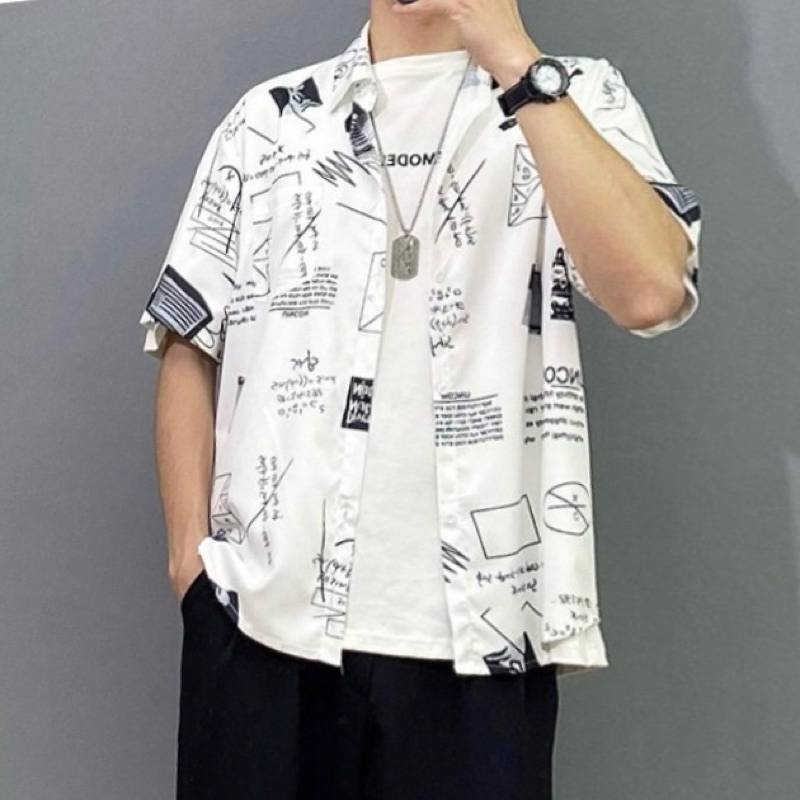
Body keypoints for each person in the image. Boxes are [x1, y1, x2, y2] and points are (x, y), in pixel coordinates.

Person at [139, 1, 701, 798]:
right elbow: (189, 335)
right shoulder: (270, 120)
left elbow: (651, 292)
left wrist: (514, 59)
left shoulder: (575, 95)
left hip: (484, 646)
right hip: (263, 629)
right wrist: (191, 567)